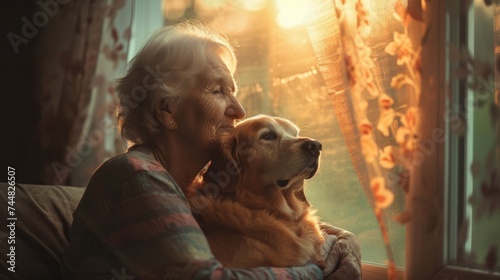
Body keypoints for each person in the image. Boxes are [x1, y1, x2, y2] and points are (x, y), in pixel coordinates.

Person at [62, 20, 361, 279]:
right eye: (218, 90)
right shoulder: (137, 176)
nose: (239, 110)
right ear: (168, 110)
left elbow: (270, 220)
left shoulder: (189, 188)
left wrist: (345, 239)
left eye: (234, 91)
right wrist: (317, 270)